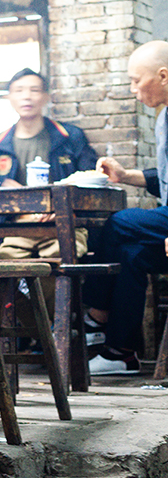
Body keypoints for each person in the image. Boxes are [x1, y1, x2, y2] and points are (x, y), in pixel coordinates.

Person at [0, 69, 98, 338]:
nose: (26, 96)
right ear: (9, 97)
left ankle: (57, 330)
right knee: (5, 267)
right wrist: (2, 187)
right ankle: (43, 333)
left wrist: (59, 204)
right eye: (19, 90)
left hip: (64, 225)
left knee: (56, 264)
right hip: (19, 228)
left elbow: (92, 178)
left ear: (45, 96)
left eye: (33, 90)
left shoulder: (69, 136)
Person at [82, 41, 168, 375]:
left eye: (137, 80)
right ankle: (121, 352)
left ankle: (97, 315)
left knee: (118, 224)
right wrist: (125, 176)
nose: (133, 90)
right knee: (132, 254)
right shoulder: (163, 116)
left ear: (163, 75)